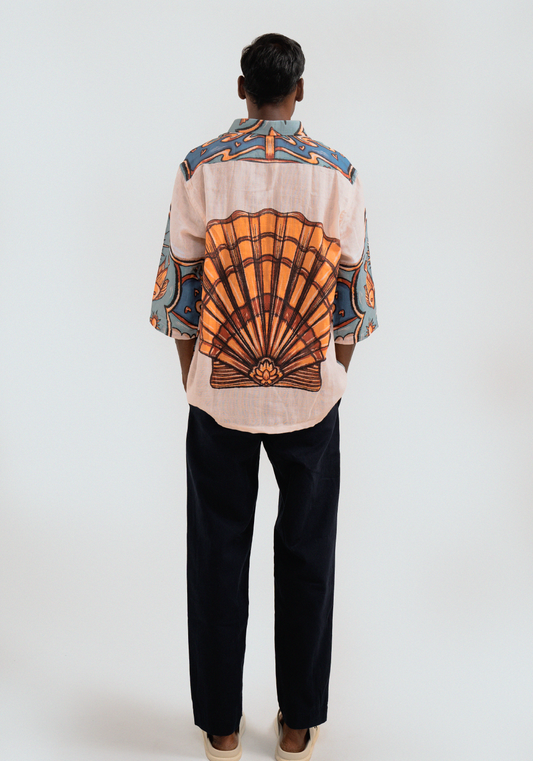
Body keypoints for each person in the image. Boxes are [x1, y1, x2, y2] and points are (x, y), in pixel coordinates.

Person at [150, 33, 378, 761]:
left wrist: (196, 377)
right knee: (308, 553)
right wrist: (333, 375)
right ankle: (297, 724)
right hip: (311, 396)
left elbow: (178, 295)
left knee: (217, 551)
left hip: (218, 392)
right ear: (299, 90)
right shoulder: (339, 174)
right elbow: (353, 304)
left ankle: (220, 727)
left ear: (241, 89)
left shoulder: (200, 168)